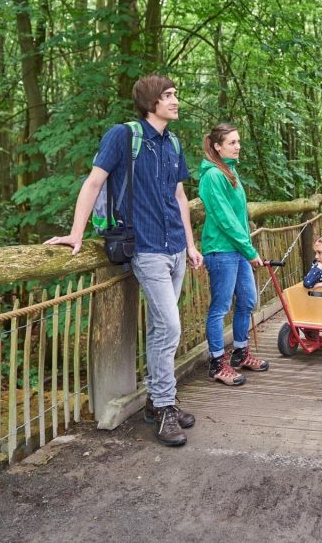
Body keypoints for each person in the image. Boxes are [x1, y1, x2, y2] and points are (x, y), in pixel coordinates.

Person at [45, 74, 203, 447]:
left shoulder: (174, 142)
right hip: (145, 248)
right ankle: (164, 406)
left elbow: (180, 197)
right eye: (168, 95)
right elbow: (94, 182)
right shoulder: (124, 136)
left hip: (176, 247)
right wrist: (76, 232)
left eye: (175, 94)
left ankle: (156, 401)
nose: (175, 100)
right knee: (171, 326)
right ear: (151, 102)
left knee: (161, 329)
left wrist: (191, 245)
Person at [199, 123, 269, 387]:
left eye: (239, 141)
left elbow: (238, 216)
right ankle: (217, 363)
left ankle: (240, 352)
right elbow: (225, 220)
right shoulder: (213, 176)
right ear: (217, 146)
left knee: (248, 299)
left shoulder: (231, 172)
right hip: (221, 249)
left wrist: (246, 248)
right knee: (220, 307)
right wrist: (250, 250)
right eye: (231, 142)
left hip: (237, 249)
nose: (238, 146)